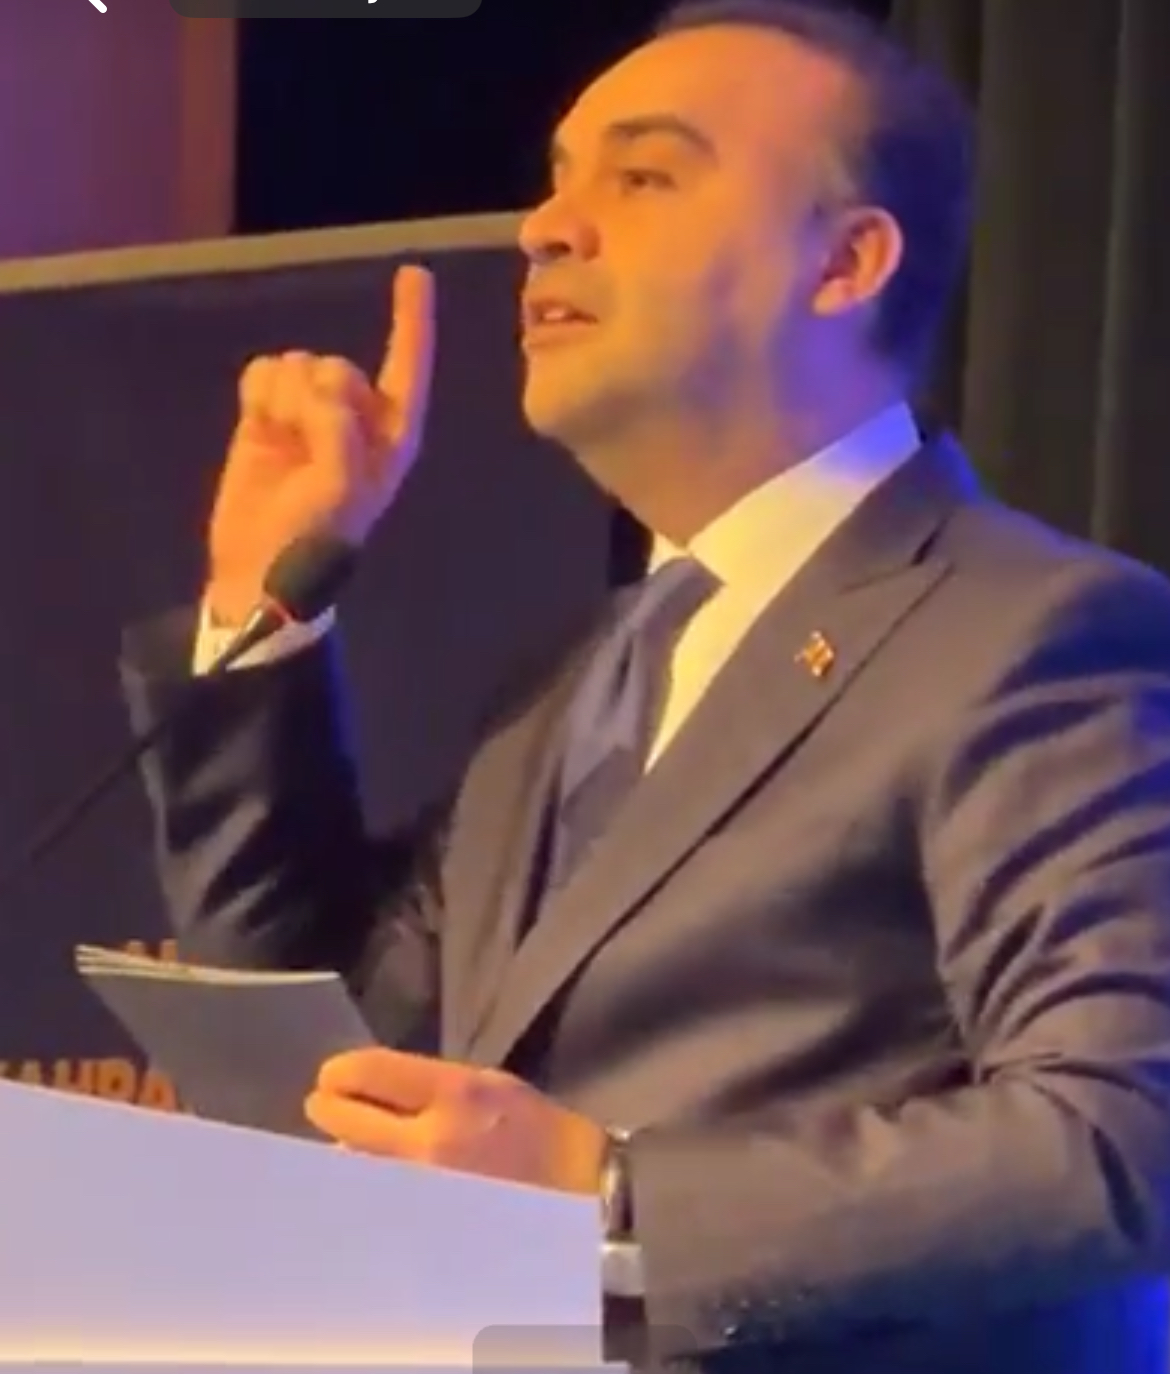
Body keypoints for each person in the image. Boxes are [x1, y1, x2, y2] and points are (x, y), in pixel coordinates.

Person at [120, 1, 1170, 1371]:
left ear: (845, 262)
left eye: (644, 176)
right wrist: (262, 605)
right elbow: (337, 1056)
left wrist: (611, 1193)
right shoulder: (567, 686)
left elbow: (1120, 1137)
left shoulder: (1036, 632)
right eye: (558, 178)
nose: (547, 228)